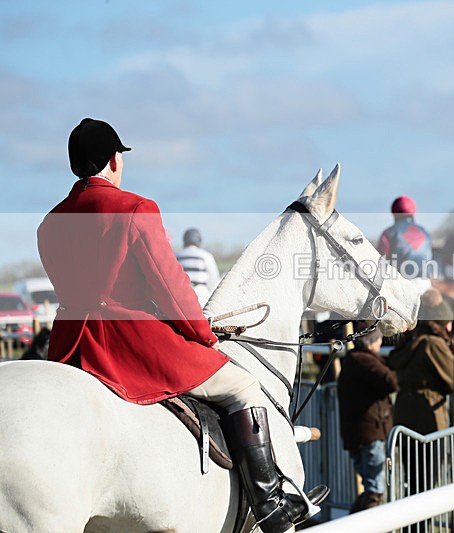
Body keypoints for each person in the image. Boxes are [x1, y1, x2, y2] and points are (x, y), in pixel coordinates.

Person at [36, 118, 325, 532]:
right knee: (241, 386)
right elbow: (169, 287)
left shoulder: (49, 223)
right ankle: (271, 502)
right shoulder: (136, 208)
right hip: (129, 341)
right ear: (115, 160)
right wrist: (202, 334)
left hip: (70, 343)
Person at [387, 288, 454, 499]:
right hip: (429, 419)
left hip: (405, 415)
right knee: (427, 487)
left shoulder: (410, 343)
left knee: (413, 484)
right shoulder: (433, 345)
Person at [337, 321, 398, 513]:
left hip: (359, 434)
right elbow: (391, 382)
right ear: (373, 341)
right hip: (371, 433)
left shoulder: (351, 360)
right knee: (375, 489)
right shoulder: (364, 361)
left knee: (371, 487)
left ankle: (352, 524)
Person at [378, 195, 433, 292]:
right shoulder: (425, 232)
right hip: (425, 284)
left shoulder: (388, 233)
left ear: (394, 213)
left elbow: (381, 262)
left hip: (401, 287)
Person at [175, 227, 221, 305]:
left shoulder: (176, 256)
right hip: (201, 296)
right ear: (199, 241)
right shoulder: (206, 255)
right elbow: (214, 278)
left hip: (180, 296)